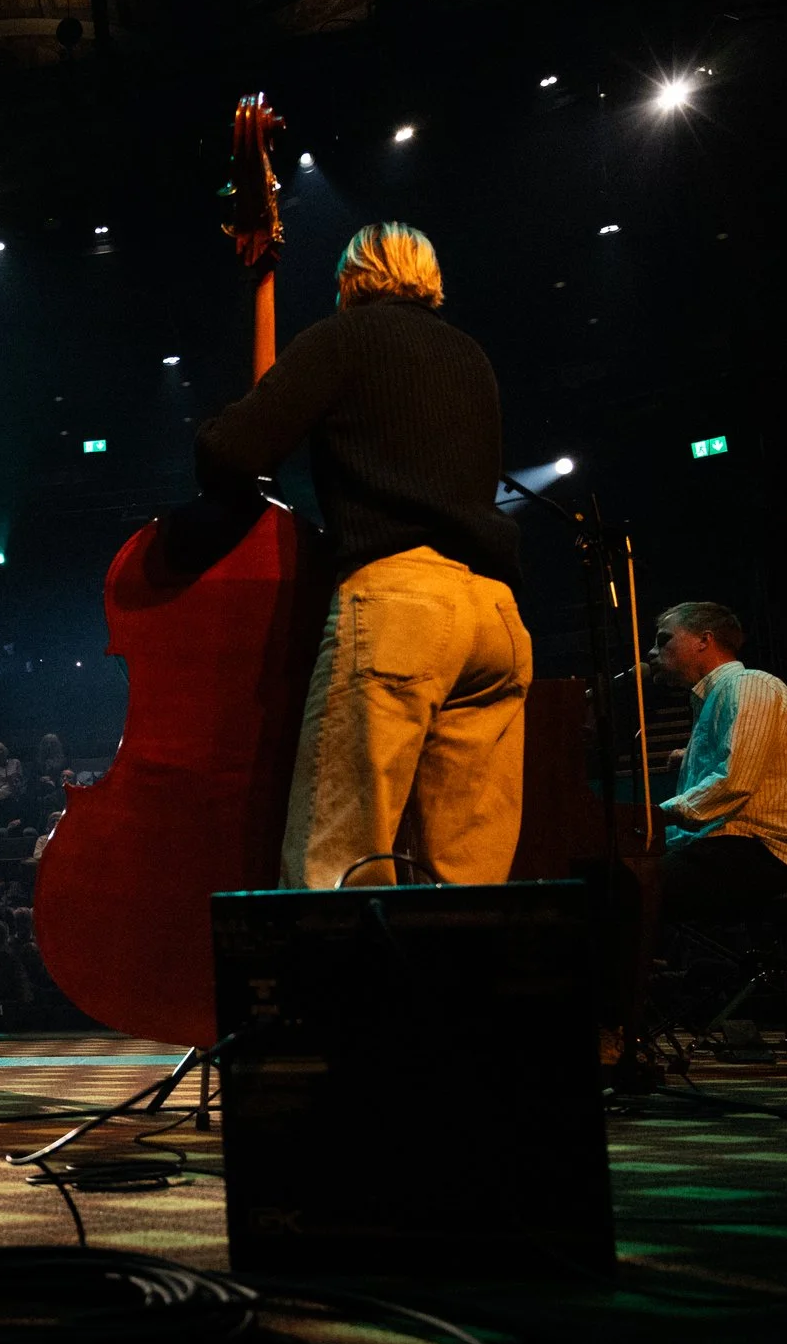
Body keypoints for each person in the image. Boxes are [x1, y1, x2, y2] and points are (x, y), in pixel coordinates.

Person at [171, 222, 529, 889]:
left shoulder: (345, 338)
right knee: (470, 893)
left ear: (350, 279)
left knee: (334, 874)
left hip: (402, 609)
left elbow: (229, 452)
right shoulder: (471, 356)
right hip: (496, 617)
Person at [649, 601, 787, 918]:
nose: (652, 653)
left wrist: (654, 817)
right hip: (727, 850)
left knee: (631, 886)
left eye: (663, 640)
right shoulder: (714, 699)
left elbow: (733, 784)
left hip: (762, 852)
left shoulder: (749, 685)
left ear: (704, 639)